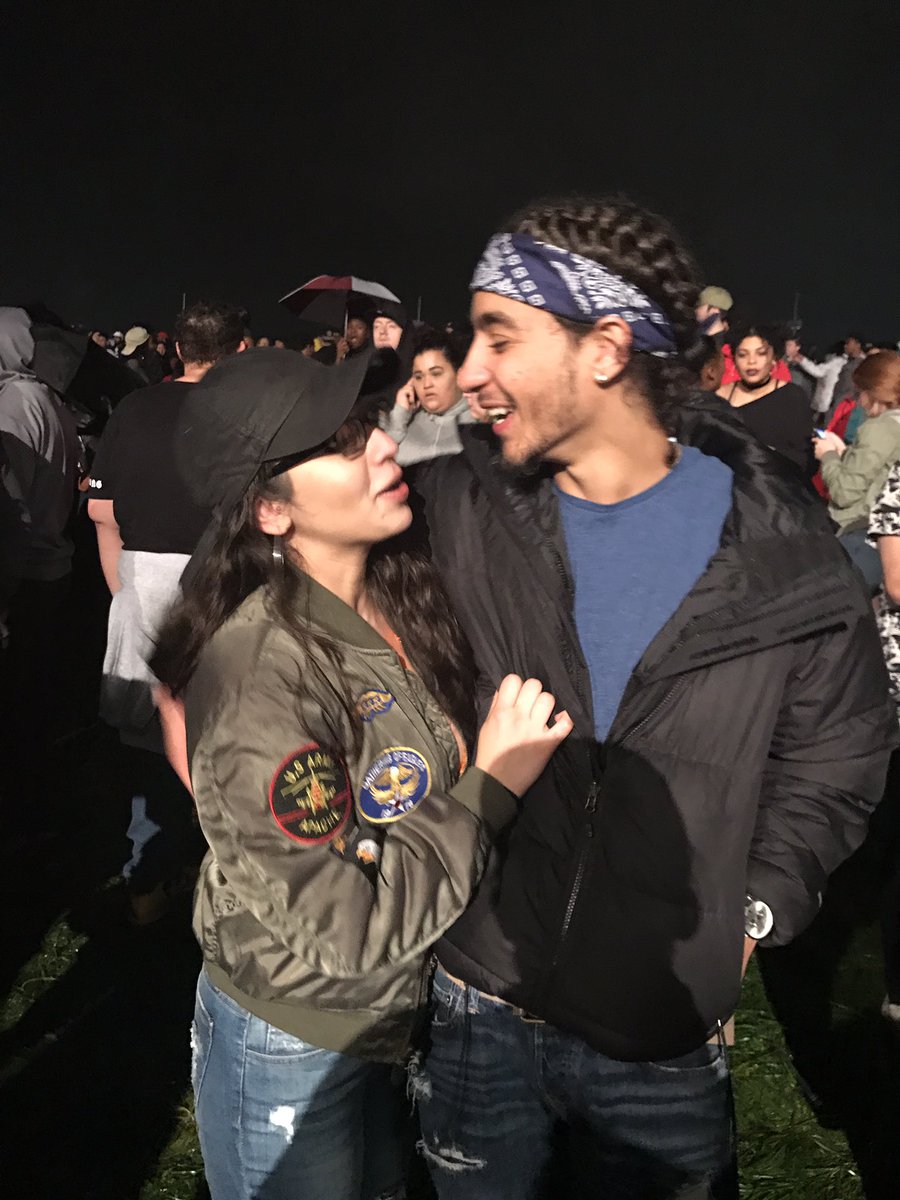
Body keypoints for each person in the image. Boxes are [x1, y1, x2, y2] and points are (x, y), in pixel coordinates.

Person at [402, 196, 896, 1199]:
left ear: (605, 347)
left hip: (659, 1027)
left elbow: (838, 749)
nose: (470, 369)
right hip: (475, 997)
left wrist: (752, 909)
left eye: (500, 334)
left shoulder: (783, 549)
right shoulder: (456, 509)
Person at [149, 346, 572, 1200]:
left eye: (370, 425)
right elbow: (343, 929)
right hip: (295, 1036)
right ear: (270, 511)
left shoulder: (404, 589)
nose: (384, 444)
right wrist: (492, 785)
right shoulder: (262, 671)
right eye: (342, 444)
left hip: (395, 1016)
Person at [87, 301, 247, 923]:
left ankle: (147, 879)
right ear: (238, 351)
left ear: (178, 349)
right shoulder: (244, 414)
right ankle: (218, 866)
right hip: (224, 586)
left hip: (144, 582)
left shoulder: (134, 407)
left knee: (151, 741)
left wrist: (123, 590)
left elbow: (102, 514)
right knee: (224, 734)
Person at [0, 306, 80, 818]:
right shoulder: (46, 397)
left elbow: (12, 508)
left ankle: (26, 805)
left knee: (18, 702)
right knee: (36, 692)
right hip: (54, 562)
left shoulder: (11, 405)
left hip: (25, 572)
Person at [815, 351, 900, 592]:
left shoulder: (879, 428)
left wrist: (828, 455)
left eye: (860, 392)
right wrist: (846, 454)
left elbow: (845, 493)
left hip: (860, 534)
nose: (859, 401)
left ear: (873, 392)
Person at [716, 323, 814, 476]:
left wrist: (765, 455)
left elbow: (804, 458)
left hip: (770, 486)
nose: (751, 361)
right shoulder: (718, 396)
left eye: (761, 353)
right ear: (734, 359)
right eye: (742, 354)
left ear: (774, 358)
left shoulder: (792, 396)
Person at [382, 328, 475, 465]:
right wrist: (399, 418)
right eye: (418, 377)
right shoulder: (403, 424)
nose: (426, 384)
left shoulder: (481, 425)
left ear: (459, 374)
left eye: (436, 374)